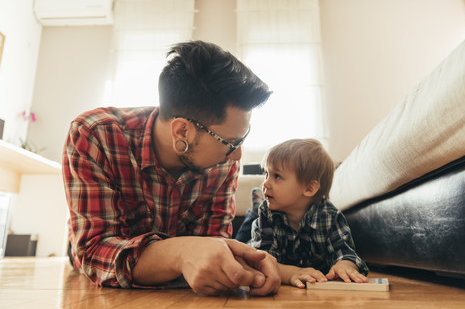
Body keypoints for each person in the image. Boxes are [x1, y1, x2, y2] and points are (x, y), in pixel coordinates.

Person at [62, 40, 281, 296]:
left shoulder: (223, 162)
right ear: (182, 131)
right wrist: (181, 253)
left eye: (241, 140)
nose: (237, 156)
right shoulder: (95, 135)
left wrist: (246, 262)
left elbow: (214, 241)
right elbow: (94, 251)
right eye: (231, 143)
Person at [248, 139, 369, 288]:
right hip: (257, 230)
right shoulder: (266, 214)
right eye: (266, 174)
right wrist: (292, 273)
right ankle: (253, 209)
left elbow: (345, 252)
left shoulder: (329, 216)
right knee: (243, 242)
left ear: (310, 188)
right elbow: (261, 261)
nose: (265, 183)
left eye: (277, 176)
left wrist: (345, 266)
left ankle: (255, 204)